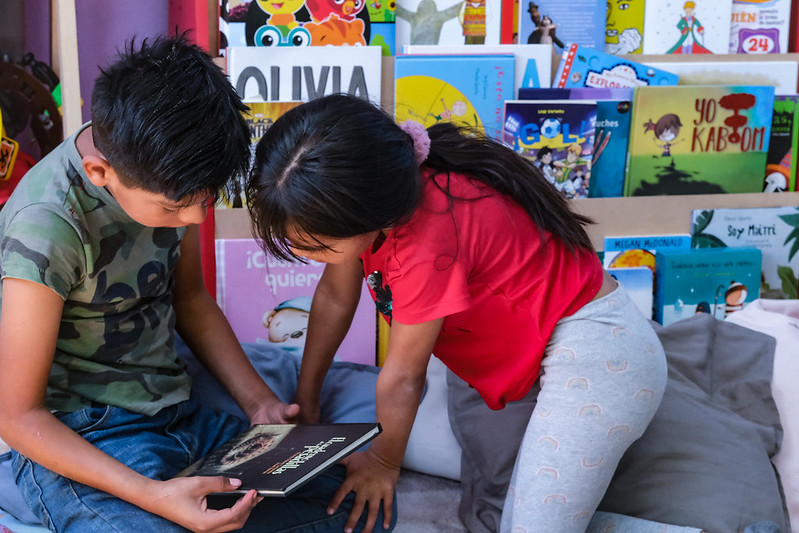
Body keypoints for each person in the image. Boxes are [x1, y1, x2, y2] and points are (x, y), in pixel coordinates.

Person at [0, 38, 393, 533]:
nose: (194, 218)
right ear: (101, 173)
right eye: (174, 209)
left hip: (178, 414)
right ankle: (24, 492)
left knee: (359, 507)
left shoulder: (172, 168)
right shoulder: (46, 225)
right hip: (84, 434)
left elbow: (190, 299)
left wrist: (261, 405)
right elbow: (17, 415)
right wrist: (153, 496)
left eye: (203, 201)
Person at [245, 93, 669, 532]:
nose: (304, 254)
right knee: (486, 491)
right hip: (504, 360)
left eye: (317, 246)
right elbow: (335, 298)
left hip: (593, 349)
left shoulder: (424, 243)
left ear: (373, 216)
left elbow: (405, 377)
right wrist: (307, 400)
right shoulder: (386, 192)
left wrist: (383, 461)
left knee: (527, 523)